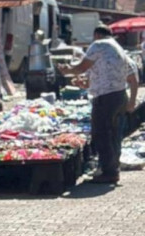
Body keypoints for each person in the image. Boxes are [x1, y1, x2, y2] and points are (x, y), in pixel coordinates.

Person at [58, 25, 138, 184]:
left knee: (101, 133)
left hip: (106, 98)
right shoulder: (119, 50)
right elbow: (127, 76)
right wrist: (131, 101)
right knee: (113, 135)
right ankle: (112, 169)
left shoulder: (99, 45)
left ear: (96, 35)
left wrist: (67, 70)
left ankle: (109, 172)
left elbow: (81, 67)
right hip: (119, 95)